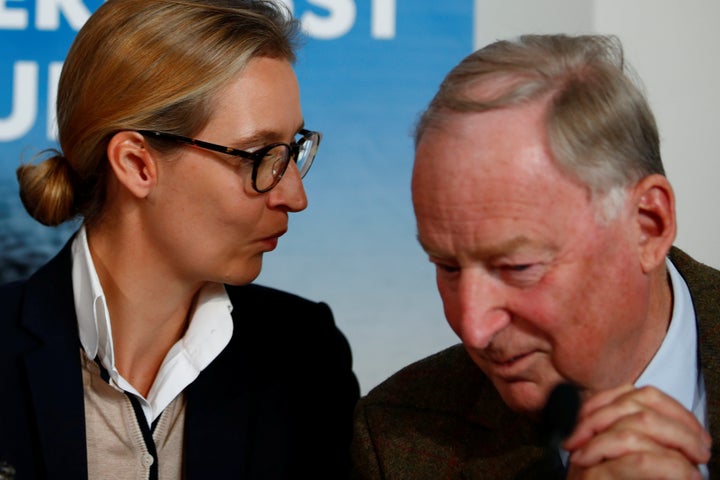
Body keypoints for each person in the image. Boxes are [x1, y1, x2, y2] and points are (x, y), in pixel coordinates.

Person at [0, 1, 359, 478]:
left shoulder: (305, 359)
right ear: (136, 165)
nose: (295, 196)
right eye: (259, 156)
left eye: (292, 150)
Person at [351, 33, 720, 479]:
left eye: (518, 268)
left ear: (647, 225)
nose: (473, 327)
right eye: (447, 267)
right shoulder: (399, 438)